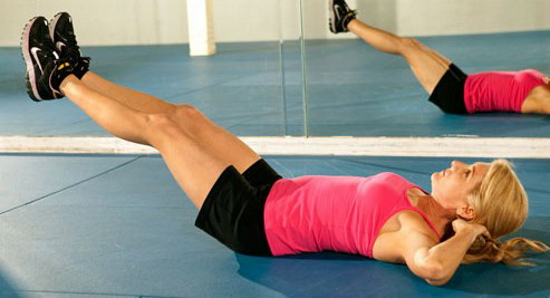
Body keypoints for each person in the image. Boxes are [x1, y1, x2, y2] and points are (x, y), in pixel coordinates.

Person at [22, 13, 548, 286]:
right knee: (187, 116)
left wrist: (472, 235)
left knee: (164, 131)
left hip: (255, 223)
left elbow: (432, 267)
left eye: (469, 172)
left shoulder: (415, 232)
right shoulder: (422, 203)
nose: (457, 163)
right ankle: (82, 68)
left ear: (469, 208)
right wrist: (474, 228)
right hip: (275, 190)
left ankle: (58, 80)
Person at [329, 0, 550, 115]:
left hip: (458, 97)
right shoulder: (544, 85)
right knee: (412, 44)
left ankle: (346, 22)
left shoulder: (542, 98)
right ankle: (345, 21)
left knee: (406, 47)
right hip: (465, 82)